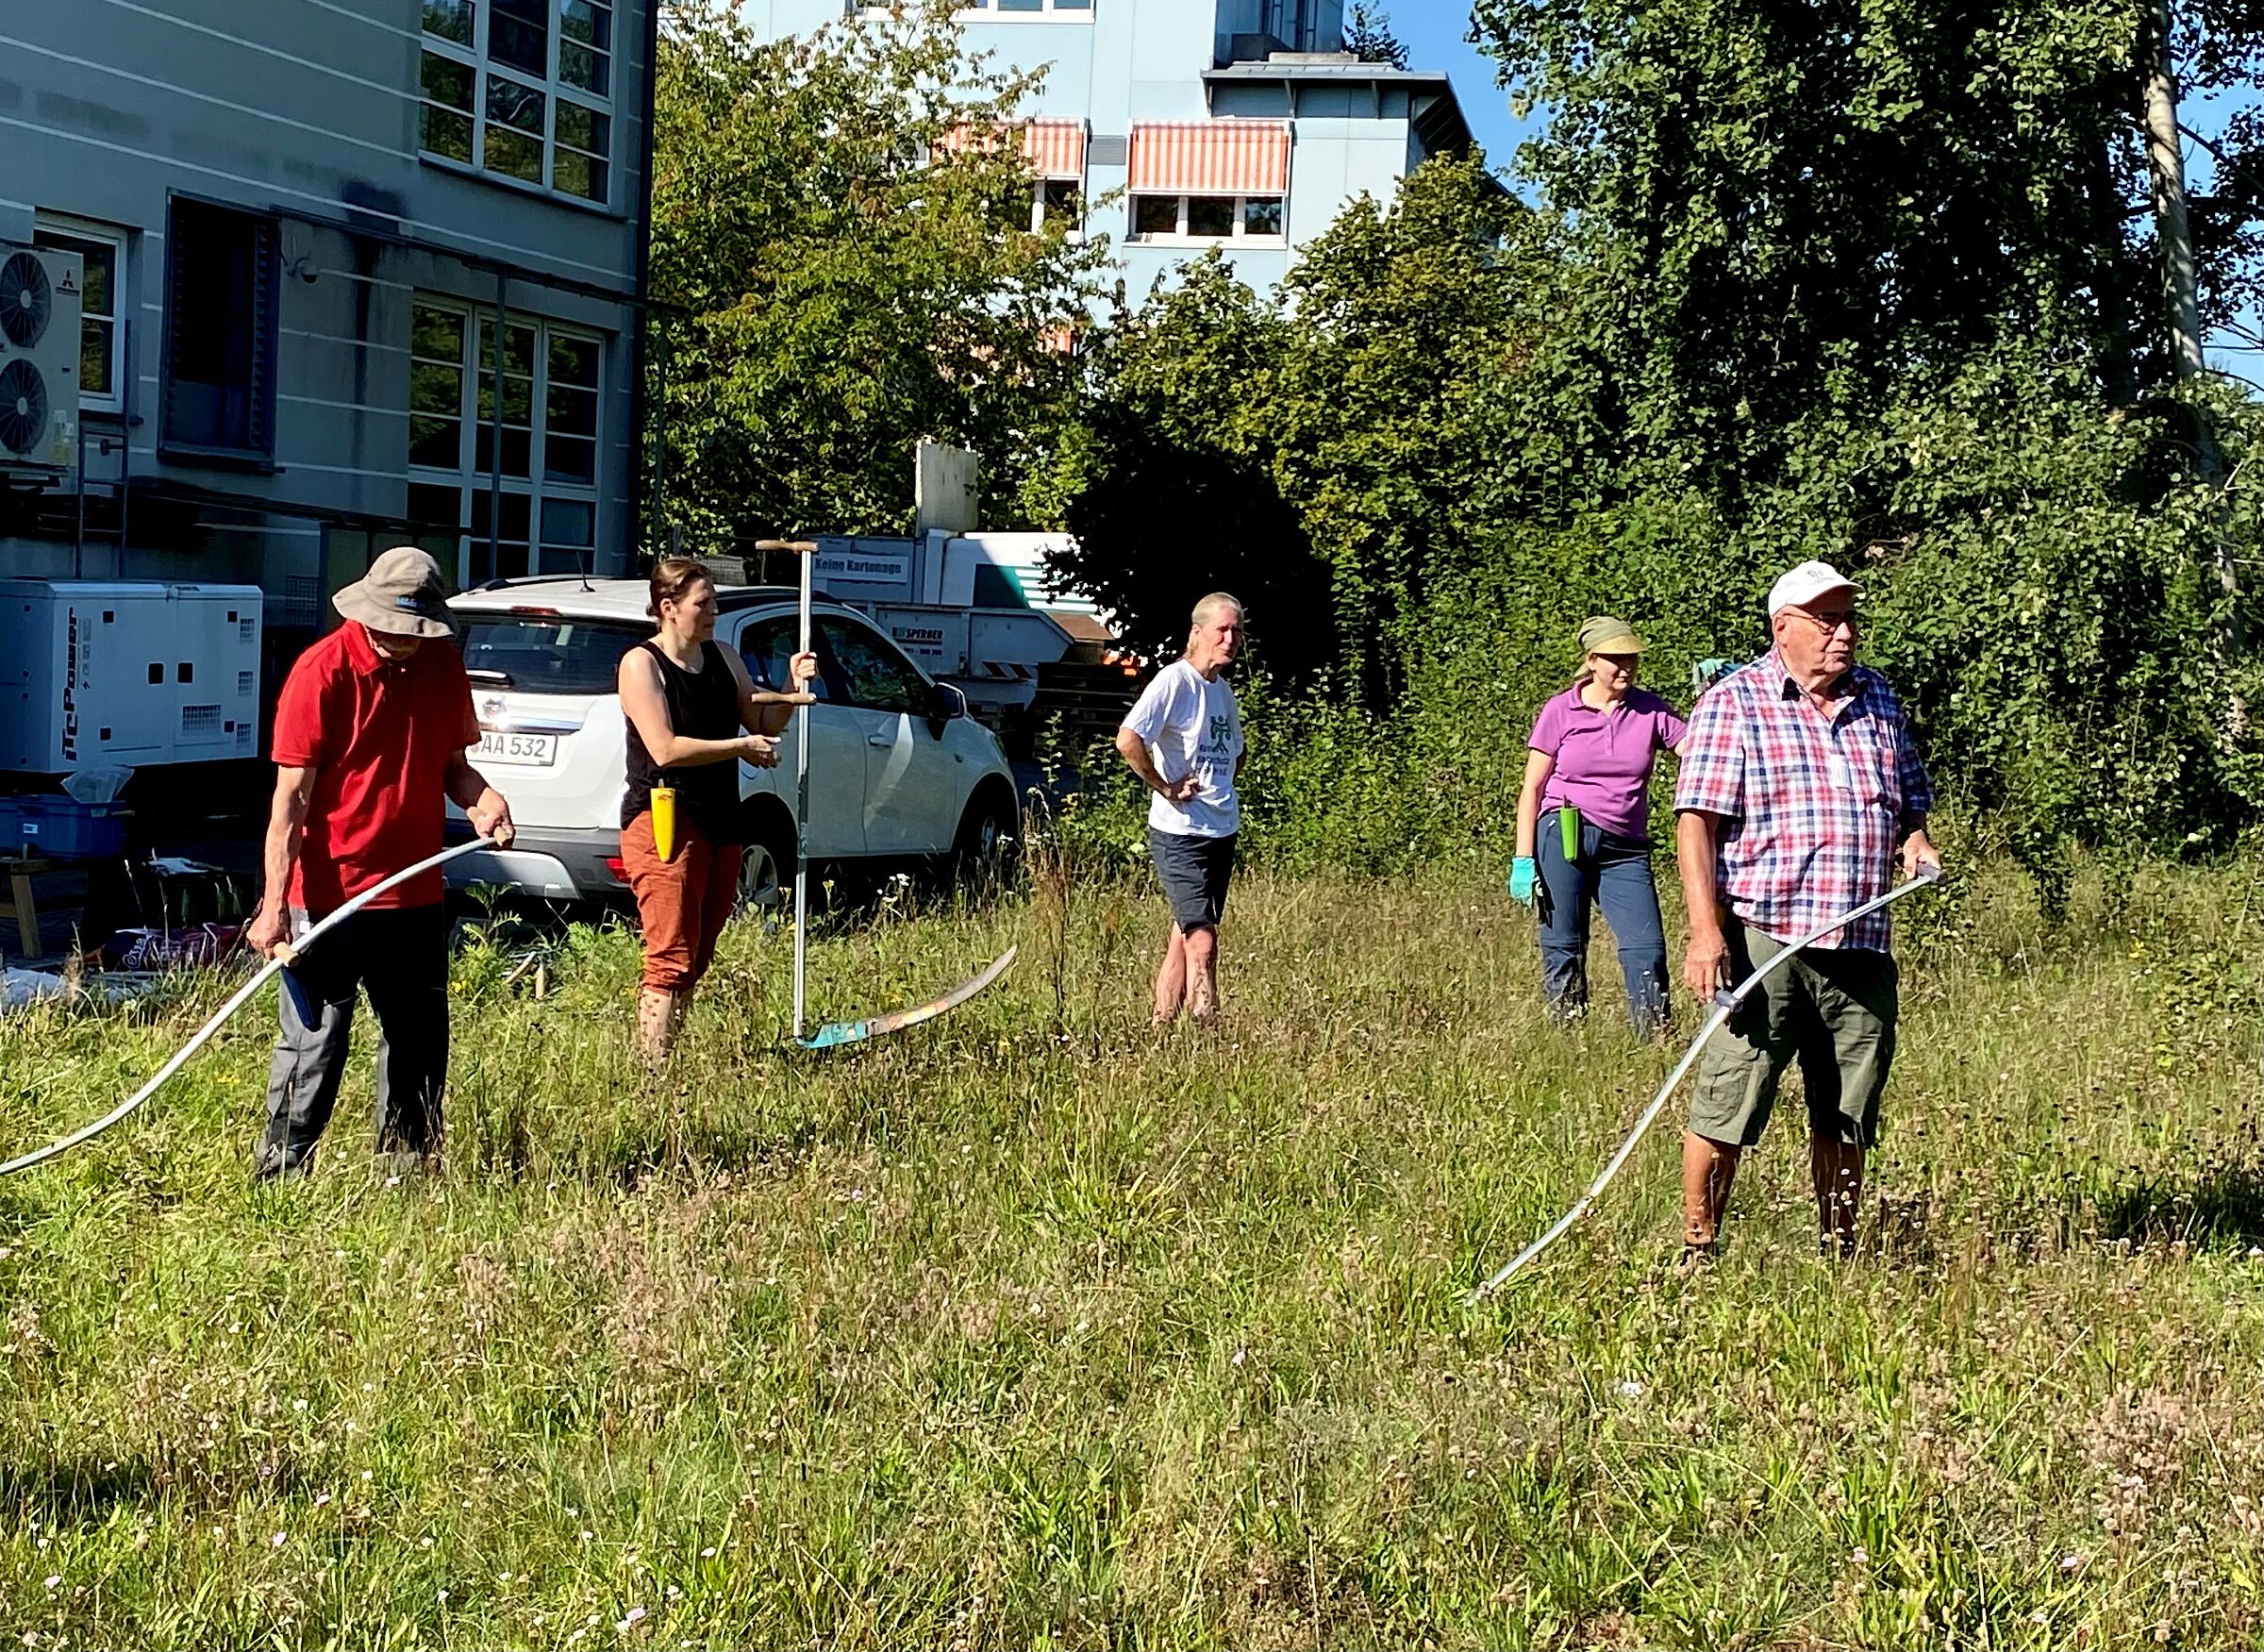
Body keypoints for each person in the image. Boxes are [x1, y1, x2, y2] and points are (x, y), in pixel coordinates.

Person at [1672, 559, 1941, 1258]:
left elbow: (1911, 799)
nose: (1843, 633)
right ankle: (1699, 1246)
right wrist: (1706, 933)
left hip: (1861, 940)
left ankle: (1839, 1247)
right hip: (1768, 939)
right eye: (1826, 619)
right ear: (1781, 626)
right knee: (1730, 1100)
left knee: (1848, 1107)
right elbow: (1695, 822)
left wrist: (1915, 841)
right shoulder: (1735, 702)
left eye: (1849, 618)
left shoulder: (1878, 698)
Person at [247, 546, 516, 1180]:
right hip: (327, 899)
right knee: (314, 1046)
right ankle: (280, 1180)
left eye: (418, 630)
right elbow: (291, 800)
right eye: (397, 628)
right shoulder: (322, 672)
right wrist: (272, 907)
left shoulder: (443, 667)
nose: (406, 641)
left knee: (418, 1043)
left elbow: (454, 769)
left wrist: (483, 800)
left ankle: (406, 1175)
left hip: (414, 896)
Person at [619, 557, 816, 1064]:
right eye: (703, 603)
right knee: (670, 955)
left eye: (713, 602)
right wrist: (739, 748)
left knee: (698, 956)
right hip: (663, 818)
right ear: (668, 608)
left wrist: (793, 690)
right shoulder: (641, 664)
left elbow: (763, 723)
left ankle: (668, 1058)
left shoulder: (724, 657)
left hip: (722, 819)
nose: (714, 612)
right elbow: (664, 748)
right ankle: (652, 1076)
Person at [1509, 616, 1688, 1035]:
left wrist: (1718, 702)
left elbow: (1697, 749)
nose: (1625, 667)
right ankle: (1569, 1037)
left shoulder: (1651, 709)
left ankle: (1654, 1039)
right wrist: (1523, 859)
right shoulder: (1560, 710)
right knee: (1564, 944)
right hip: (1563, 832)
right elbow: (1532, 787)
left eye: (1631, 659)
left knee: (1647, 948)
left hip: (1625, 846)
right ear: (1592, 660)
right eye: (1615, 659)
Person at [1115, 592, 1246, 1026]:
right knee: (1203, 940)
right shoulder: (1175, 682)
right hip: (1180, 833)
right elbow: (1129, 738)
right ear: (1197, 632)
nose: (1230, 639)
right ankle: (1208, 1024)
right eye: (1222, 630)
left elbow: (1237, 754)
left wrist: (1218, 787)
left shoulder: (1221, 691)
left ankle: (1160, 1023)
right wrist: (1165, 786)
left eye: (1237, 630)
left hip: (1220, 830)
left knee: (1184, 934)